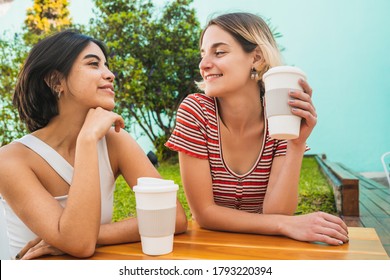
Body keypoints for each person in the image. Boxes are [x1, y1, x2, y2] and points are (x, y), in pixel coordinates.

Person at [0, 30, 187, 260]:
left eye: (106, 65)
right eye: (93, 64)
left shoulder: (114, 141)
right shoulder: (10, 160)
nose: (110, 75)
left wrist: (87, 235)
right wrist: (87, 139)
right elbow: (79, 244)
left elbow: (173, 217)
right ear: (56, 81)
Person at [166, 12, 348, 245]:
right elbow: (205, 213)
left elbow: (278, 212)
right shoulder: (196, 112)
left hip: (265, 250)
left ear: (257, 58)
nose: (203, 64)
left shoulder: (280, 115)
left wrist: (296, 143)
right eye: (203, 54)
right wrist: (284, 225)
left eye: (219, 52)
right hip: (210, 248)